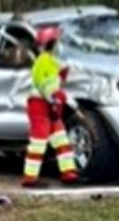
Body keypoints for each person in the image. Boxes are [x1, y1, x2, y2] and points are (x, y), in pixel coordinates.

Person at [24, 25, 80, 188]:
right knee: (38, 143)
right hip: (40, 106)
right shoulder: (43, 62)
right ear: (53, 43)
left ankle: (68, 172)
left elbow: (55, 83)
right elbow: (46, 86)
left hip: (51, 107)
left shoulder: (51, 62)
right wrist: (58, 96)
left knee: (61, 140)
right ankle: (30, 177)